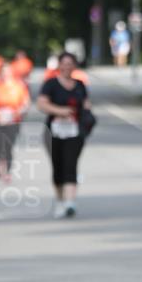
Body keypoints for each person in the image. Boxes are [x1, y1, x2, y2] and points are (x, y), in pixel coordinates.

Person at [37, 51, 92, 218]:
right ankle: (60, 200)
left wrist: (87, 117)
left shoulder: (80, 85)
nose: (67, 67)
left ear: (74, 66)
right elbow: (41, 104)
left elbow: (86, 104)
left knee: (71, 165)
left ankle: (70, 203)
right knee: (58, 167)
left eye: (70, 64)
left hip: (74, 132)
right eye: (64, 63)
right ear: (59, 65)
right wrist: (60, 111)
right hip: (54, 131)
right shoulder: (51, 84)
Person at [0, 62, 30, 182]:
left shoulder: (19, 86)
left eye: (8, 72)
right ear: (0, 73)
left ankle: (7, 171)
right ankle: (0, 161)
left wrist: (17, 113)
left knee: (8, 147)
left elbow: (26, 104)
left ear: (11, 73)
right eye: (3, 72)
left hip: (13, 121)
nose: (5, 74)